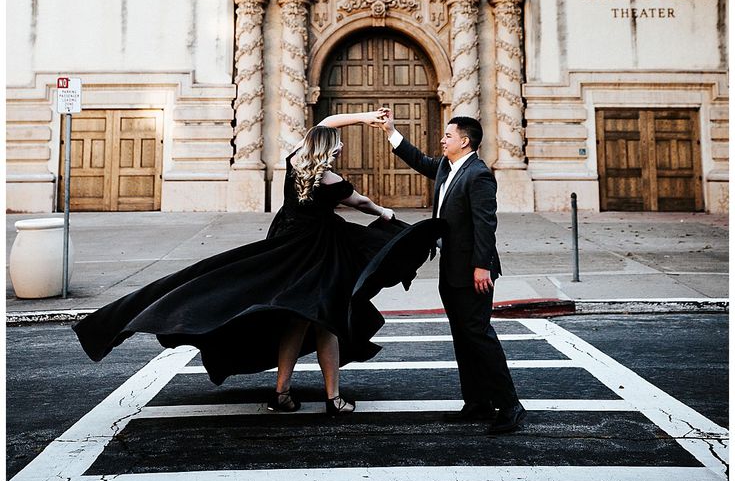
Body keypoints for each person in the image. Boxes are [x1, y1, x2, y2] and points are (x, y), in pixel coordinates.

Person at [73, 109, 441, 417]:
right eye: (338, 143)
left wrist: (363, 118)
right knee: (326, 320)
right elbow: (361, 204)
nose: (342, 144)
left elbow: (327, 121)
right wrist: (386, 212)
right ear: (327, 148)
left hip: (286, 245)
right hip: (318, 254)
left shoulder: (295, 158)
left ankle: (284, 394)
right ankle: (332, 398)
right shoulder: (330, 178)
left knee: (297, 321)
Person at [380, 110, 527, 434]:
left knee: (479, 335)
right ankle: (477, 402)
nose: (443, 140)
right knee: (463, 337)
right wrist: (392, 131)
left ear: (465, 140)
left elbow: (486, 224)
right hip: (451, 269)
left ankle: (511, 405)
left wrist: (481, 266)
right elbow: (419, 160)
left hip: (473, 271)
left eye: (448, 136)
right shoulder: (448, 167)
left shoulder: (478, 174)